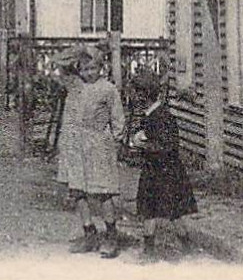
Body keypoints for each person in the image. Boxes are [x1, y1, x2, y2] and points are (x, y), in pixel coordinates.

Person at [59, 46, 125, 257]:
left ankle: (111, 234)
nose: (89, 73)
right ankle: (89, 232)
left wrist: (118, 141)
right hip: (75, 144)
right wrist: (81, 50)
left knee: (102, 192)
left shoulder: (108, 89)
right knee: (78, 190)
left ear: (101, 68)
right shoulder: (75, 86)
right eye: (85, 69)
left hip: (99, 145)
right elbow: (59, 61)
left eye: (93, 68)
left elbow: (118, 119)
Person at [128, 71, 198, 261]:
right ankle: (149, 250)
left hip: (167, 171)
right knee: (149, 209)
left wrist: (143, 145)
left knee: (174, 212)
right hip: (153, 170)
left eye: (136, 93)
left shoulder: (162, 117)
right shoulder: (150, 115)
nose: (133, 98)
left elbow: (167, 146)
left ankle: (187, 247)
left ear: (144, 95)